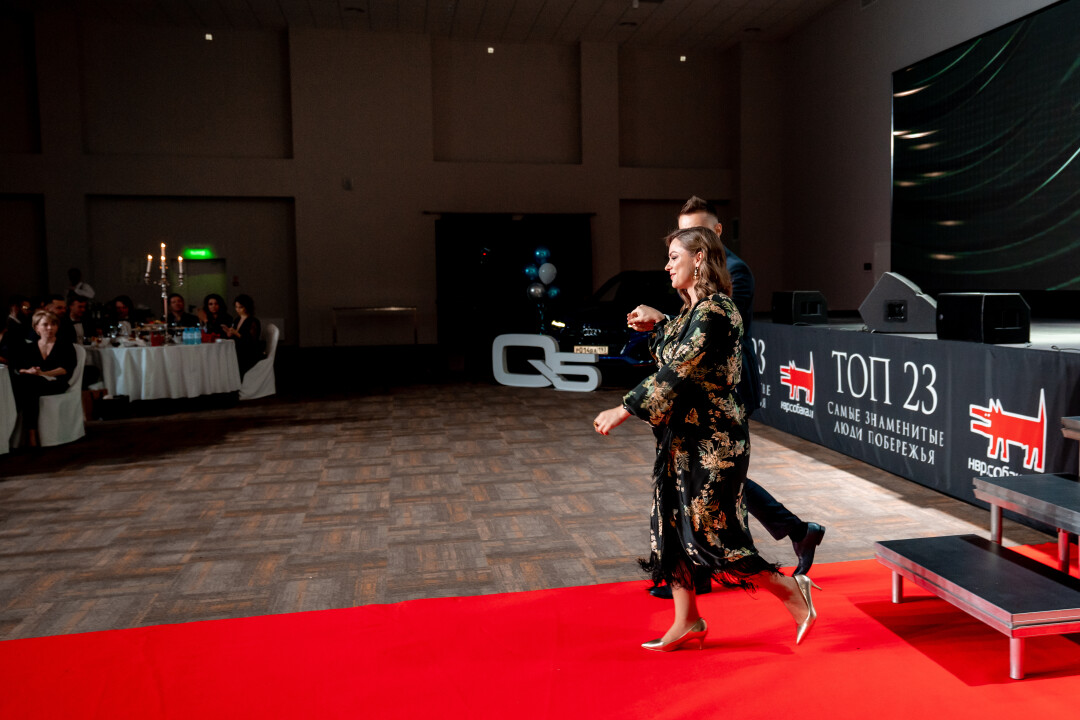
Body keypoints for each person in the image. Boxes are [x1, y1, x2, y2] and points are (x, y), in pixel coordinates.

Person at [593, 226, 817, 651]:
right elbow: (673, 350)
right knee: (671, 528)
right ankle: (687, 620)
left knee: (712, 534)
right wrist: (659, 322)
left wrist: (623, 409)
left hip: (714, 443)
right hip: (681, 439)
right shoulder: (691, 312)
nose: (667, 265)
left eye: (674, 256)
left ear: (699, 258)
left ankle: (791, 591)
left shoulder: (718, 310)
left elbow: (678, 369)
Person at [643, 197, 825, 600]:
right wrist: (663, 325)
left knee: (711, 479)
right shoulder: (692, 273)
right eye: (682, 233)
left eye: (696, 232)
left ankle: (785, 543)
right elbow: (690, 328)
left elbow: (712, 330)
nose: (685, 242)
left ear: (715, 233)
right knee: (703, 478)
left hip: (727, 389)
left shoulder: (734, 272)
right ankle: (790, 534)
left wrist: (663, 324)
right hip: (698, 393)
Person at [10, 309, 77, 448]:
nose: (50, 328)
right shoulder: (28, 347)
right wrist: (28, 371)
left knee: (28, 386)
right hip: (33, 384)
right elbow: (17, 368)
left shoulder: (65, 345)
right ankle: (30, 433)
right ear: (36, 328)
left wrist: (43, 374)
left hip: (57, 383)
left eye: (53, 324)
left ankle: (29, 434)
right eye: (45, 324)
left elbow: (65, 369)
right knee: (28, 386)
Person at [223, 294, 263, 378]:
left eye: (240, 307)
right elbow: (236, 337)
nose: (238, 310)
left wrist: (236, 333)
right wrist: (229, 333)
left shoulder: (253, 321)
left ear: (247, 307)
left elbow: (251, 341)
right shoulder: (237, 319)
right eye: (236, 307)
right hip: (238, 349)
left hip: (248, 351)